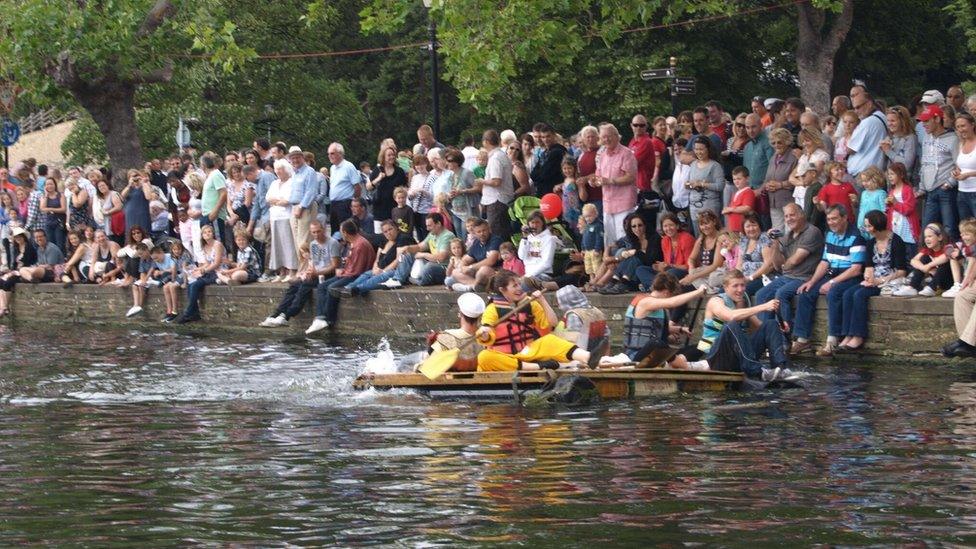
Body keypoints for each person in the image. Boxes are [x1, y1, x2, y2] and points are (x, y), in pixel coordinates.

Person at [475, 270, 608, 371]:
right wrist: (485, 332)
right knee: (484, 357)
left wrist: (542, 301)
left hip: (528, 351)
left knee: (550, 340)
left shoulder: (531, 304)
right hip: (505, 357)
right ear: (502, 290)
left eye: (519, 284)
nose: (519, 288)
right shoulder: (492, 309)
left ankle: (588, 357)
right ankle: (537, 367)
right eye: (514, 286)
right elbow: (486, 331)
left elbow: (551, 325)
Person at [680, 269, 791, 380]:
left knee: (771, 324)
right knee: (732, 325)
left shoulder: (741, 304)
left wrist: (780, 327)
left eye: (742, 285)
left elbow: (762, 328)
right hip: (716, 359)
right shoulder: (716, 301)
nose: (740, 290)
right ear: (726, 287)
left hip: (739, 357)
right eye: (735, 286)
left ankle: (780, 369)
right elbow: (731, 316)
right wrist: (764, 306)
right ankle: (757, 372)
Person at [791, 204, 865, 356]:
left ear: (844, 218)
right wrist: (811, 282)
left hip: (850, 276)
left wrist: (832, 282)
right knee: (806, 291)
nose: (831, 222)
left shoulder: (856, 237)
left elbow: (856, 269)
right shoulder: (830, 235)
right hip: (832, 274)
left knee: (834, 293)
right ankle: (802, 339)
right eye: (829, 219)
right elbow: (825, 262)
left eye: (835, 218)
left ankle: (832, 340)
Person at [832, 210, 909, 352]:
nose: (866, 229)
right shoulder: (870, 242)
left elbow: (901, 271)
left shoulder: (896, 241)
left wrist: (879, 281)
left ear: (876, 225)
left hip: (889, 280)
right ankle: (847, 334)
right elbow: (868, 266)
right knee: (848, 293)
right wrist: (868, 278)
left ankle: (858, 335)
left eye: (868, 226)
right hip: (873, 280)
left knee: (859, 295)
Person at [756, 203, 825, 330]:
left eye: (792, 215)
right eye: (786, 216)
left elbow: (795, 260)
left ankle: (785, 337)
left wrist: (783, 265)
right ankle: (766, 334)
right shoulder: (787, 236)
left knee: (781, 294)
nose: (789, 219)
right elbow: (777, 265)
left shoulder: (812, 232)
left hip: (805, 277)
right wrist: (775, 242)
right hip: (788, 277)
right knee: (761, 294)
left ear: (802, 215)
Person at [260, 222, 342, 327]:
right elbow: (315, 262)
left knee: (305, 286)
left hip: (328, 275)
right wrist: (310, 271)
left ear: (324, 230)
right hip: (316, 274)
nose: (316, 235)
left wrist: (317, 273)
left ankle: (287, 314)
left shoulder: (332, 243)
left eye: (318, 231)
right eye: (314, 232)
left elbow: (335, 265)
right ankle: (277, 313)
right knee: (294, 285)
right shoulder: (313, 244)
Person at [305, 219, 376, 334]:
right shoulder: (354, 243)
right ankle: (320, 317)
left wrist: (342, 272)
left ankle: (329, 319)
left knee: (332, 288)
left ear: (345, 233)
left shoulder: (359, 245)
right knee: (322, 286)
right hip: (349, 273)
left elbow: (355, 270)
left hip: (356, 275)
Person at [622, 273, 705, 364]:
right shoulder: (645, 302)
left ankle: (679, 362)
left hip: (657, 355)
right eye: (671, 295)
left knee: (702, 347)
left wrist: (679, 329)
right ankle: (679, 363)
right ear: (666, 292)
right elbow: (672, 302)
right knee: (657, 343)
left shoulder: (660, 308)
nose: (671, 298)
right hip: (637, 355)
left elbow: (653, 329)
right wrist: (698, 292)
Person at [918, 104, 960, 240]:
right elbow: (924, 164)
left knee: (949, 228)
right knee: (927, 229)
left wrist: (950, 183)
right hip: (929, 191)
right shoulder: (926, 138)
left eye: (927, 121)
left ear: (937, 119)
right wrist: (922, 187)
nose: (924, 124)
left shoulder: (953, 139)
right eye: (922, 121)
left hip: (946, 190)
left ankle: (951, 260)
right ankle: (927, 259)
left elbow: (959, 164)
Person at [383, 213, 455, 288]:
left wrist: (423, 255)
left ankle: (414, 280)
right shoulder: (432, 234)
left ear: (438, 224)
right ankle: (397, 279)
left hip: (445, 267)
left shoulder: (447, 236)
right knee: (409, 256)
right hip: (434, 263)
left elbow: (441, 258)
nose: (427, 228)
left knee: (429, 267)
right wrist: (407, 248)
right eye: (427, 226)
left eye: (429, 225)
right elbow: (420, 247)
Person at [595, 123, 638, 248]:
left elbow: (631, 177)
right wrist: (594, 181)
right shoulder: (602, 155)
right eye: (603, 137)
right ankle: (612, 265)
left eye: (609, 136)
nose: (606, 139)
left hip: (624, 203)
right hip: (608, 203)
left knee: (623, 237)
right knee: (609, 239)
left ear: (617, 136)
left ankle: (625, 264)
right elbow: (599, 175)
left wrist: (610, 181)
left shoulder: (626, 153)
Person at [345, 220, 415, 296]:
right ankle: (348, 287)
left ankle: (357, 289)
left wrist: (383, 271)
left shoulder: (403, 238)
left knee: (380, 277)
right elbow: (377, 257)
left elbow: (398, 260)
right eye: (385, 231)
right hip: (381, 269)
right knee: (366, 274)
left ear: (396, 228)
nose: (388, 233)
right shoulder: (384, 240)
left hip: (396, 271)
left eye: (390, 229)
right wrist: (375, 267)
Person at [597, 212, 662, 294]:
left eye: (640, 225)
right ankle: (615, 281)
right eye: (634, 226)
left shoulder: (654, 238)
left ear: (645, 225)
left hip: (650, 269)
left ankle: (620, 283)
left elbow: (651, 259)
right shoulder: (634, 240)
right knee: (629, 257)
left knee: (633, 258)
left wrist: (635, 252)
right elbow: (613, 245)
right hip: (635, 272)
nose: (637, 228)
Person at [174, 224, 225, 324]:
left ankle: (188, 313)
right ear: (202, 235)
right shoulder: (205, 246)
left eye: (209, 232)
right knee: (191, 284)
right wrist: (197, 269)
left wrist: (204, 271)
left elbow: (217, 263)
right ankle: (195, 313)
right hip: (210, 270)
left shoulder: (217, 244)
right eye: (205, 232)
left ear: (213, 233)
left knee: (197, 284)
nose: (207, 234)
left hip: (220, 271)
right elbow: (207, 263)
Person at [426, 292, 488, 372]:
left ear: (460, 313)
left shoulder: (445, 338)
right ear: (480, 316)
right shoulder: (487, 339)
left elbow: (429, 366)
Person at [892, 223, 951, 297]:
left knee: (945, 263)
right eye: (925, 237)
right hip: (937, 280)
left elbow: (946, 257)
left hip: (949, 281)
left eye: (930, 236)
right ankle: (912, 287)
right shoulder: (927, 250)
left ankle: (932, 288)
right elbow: (913, 261)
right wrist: (924, 268)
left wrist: (929, 265)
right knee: (924, 258)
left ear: (940, 237)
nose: (927, 239)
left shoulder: (948, 246)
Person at [444, 218, 501, 293]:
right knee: (455, 272)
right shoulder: (476, 243)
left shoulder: (495, 240)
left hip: (494, 272)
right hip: (477, 273)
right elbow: (466, 259)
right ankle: (475, 286)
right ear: (474, 233)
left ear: (489, 229)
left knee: (483, 270)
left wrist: (470, 267)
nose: (482, 233)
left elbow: (491, 260)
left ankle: (468, 287)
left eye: (484, 230)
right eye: (479, 231)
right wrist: (462, 266)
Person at [477, 129, 514, 241]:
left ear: (486, 142)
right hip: (500, 200)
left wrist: (482, 181)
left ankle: (500, 257)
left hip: (497, 201)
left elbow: (496, 181)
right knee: (502, 231)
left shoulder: (495, 158)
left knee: (498, 233)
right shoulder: (501, 155)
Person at [683, 135, 724, 235]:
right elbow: (688, 183)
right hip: (694, 207)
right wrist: (689, 184)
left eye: (701, 149)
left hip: (709, 206)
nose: (698, 152)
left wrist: (702, 184)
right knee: (699, 237)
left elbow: (720, 186)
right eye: (696, 149)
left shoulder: (715, 165)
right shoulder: (693, 164)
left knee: (711, 235)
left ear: (708, 149)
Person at [764, 128, 799, 233]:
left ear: (787, 142)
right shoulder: (773, 157)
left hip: (788, 201)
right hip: (774, 201)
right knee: (777, 232)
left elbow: (798, 180)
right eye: (773, 143)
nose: (776, 145)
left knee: (790, 231)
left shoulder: (794, 157)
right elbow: (768, 177)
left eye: (779, 142)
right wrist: (767, 185)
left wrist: (781, 185)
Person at [736, 213, 778, 296]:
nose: (751, 229)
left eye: (754, 225)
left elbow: (769, 265)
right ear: (744, 229)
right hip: (745, 278)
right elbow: (739, 264)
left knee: (740, 292)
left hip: (763, 278)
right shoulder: (744, 240)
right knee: (725, 290)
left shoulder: (764, 238)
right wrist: (736, 278)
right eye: (748, 226)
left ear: (759, 226)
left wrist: (750, 278)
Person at [368, 145, 408, 228]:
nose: (392, 157)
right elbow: (368, 187)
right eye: (389, 155)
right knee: (380, 237)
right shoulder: (377, 170)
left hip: (395, 210)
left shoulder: (399, 171)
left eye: (393, 155)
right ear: (383, 157)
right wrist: (378, 179)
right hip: (380, 209)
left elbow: (405, 187)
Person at [288, 146, 321, 246]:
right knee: (296, 241)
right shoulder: (294, 173)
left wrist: (301, 207)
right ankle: (301, 262)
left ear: (302, 158)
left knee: (304, 242)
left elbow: (311, 191)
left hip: (305, 208)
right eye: (292, 158)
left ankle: (306, 262)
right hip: (294, 207)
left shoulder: (309, 171)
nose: (295, 160)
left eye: (297, 157)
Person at [0, 228, 36, 316]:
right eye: (16, 238)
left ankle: (4, 308)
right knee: (1, 281)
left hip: (26, 271)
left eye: (20, 237)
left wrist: (15, 272)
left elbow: (29, 262)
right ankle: (4, 307)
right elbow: (14, 264)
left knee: (8, 283)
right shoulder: (15, 248)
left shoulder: (29, 247)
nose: (18, 239)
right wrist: (10, 271)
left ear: (23, 237)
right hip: (16, 271)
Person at [517, 210, 558, 281]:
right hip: (528, 274)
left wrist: (528, 276)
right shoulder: (527, 238)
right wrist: (524, 238)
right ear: (528, 224)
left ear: (542, 223)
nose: (535, 225)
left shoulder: (549, 239)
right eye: (532, 223)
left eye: (537, 222)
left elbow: (547, 263)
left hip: (543, 274)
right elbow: (521, 256)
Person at [199, 154, 228, 242]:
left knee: (217, 243)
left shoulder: (216, 174)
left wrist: (215, 211)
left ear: (203, 165)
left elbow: (223, 193)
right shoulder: (210, 176)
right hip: (207, 215)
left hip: (214, 215)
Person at [882, 106, 918, 174]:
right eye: (888, 121)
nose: (889, 124)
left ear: (902, 121)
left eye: (893, 121)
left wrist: (888, 151)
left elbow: (906, 165)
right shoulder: (889, 137)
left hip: (904, 180)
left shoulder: (910, 138)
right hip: (890, 180)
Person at [953, 112, 976, 221]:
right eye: (958, 127)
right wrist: (956, 172)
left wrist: (968, 174)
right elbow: (959, 166)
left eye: (963, 126)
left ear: (972, 125)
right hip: (962, 192)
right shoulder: (961, 143)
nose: (961, 129)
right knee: (966, 228)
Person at [743, 113, 774, 191]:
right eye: (747, 128)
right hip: (749, 190)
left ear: (761, 125)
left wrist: (760, 190)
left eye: (753, 127)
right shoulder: (747, 147)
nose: (751, 131)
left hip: (765, 191)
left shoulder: (769, 143)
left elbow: (773, 169)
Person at [629, 114, 657, 193]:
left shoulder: (646, 142)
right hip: (634, 184)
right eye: (635, 125)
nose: (638, 127)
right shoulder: (633, 141)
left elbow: (632, 163)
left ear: (646, 126)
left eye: (642, 125)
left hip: (642, 186)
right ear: (631, 126)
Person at [722, 166, 755, 233]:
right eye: (734, 179)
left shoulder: (748, 192)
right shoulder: (737, 192)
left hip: (742, 229)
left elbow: (747, 208)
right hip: (733, 228)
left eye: (739, 179)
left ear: (747, 178)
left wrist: (730, 209)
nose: (736, 181)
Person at [38, 178, 67, 252]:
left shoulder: (60, 195)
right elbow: (42, 208)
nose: (49, 186)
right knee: (50, 243)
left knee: (60, 243)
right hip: (49, 222)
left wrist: (51, 209)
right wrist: (46, 195)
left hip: (59, 222)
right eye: (47, 184)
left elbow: (63, 209)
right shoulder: (44, 196)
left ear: (55, 185)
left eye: (51, 184)